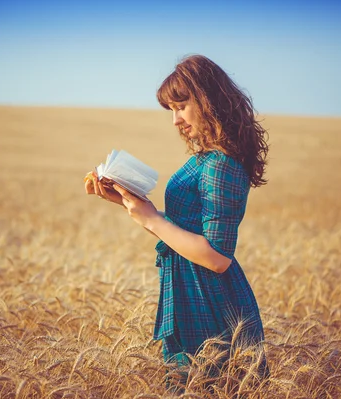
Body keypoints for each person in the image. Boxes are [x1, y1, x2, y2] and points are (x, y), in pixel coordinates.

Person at [84, 54, 269, 391]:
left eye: (181, 106)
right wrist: (130, 203)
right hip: (192, 292)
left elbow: (216, 257)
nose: (175, 120)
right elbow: (188, 230)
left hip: (209, 304)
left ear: (208, 101)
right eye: (170, 110)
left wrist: (153, 219)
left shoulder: (220, 166)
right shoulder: (209, 157)